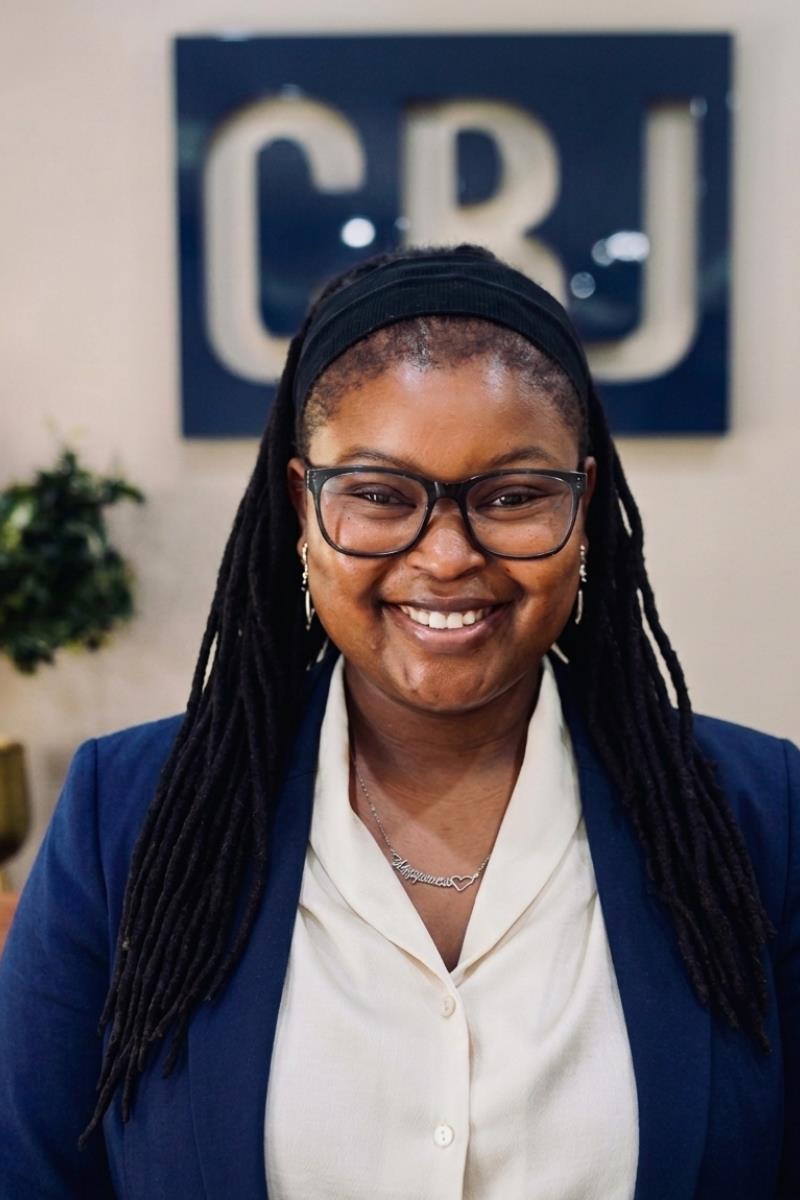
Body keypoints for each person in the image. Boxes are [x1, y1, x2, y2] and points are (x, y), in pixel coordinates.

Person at [0, 245, 797, 1200]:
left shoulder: (761, 815)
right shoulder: (124, 818)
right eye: (380, 495)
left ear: (583, 507)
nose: (448, 556)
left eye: (513, 496)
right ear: (302, 504)